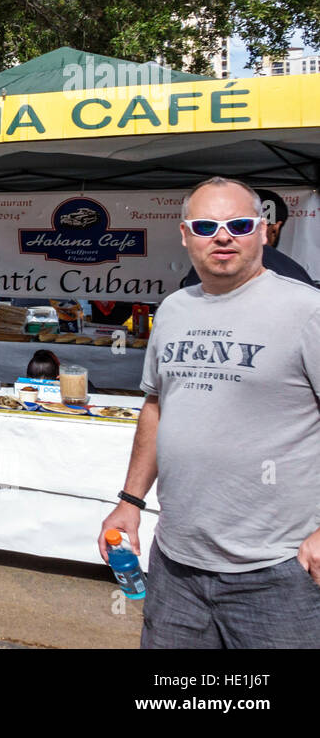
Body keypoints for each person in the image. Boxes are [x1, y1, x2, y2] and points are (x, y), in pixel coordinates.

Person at [98, 177, 320, 647]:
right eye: (206, 225)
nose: (223, 236)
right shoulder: (175, 309)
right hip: (176, 566)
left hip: (277, 570)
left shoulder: (307, 310)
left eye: (238, 224)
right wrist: (130, 502)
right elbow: (157, 406)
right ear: (185, 235)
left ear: (263, 230)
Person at [177, 188, 313, 289]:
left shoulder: (211, 261)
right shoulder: (291, 271)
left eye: (241, 225)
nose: (224, 237)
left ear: (263, 227)